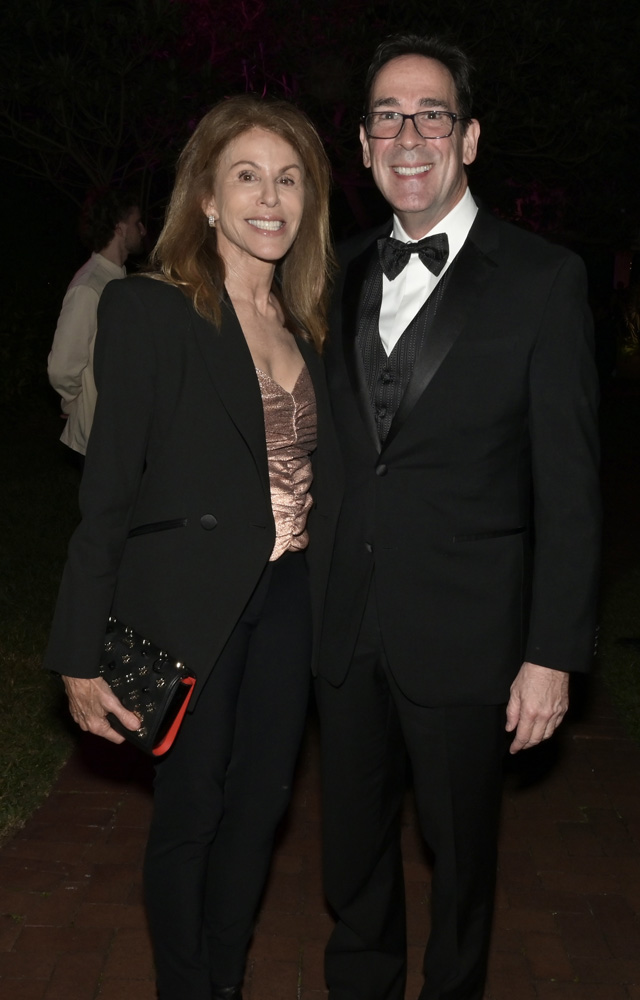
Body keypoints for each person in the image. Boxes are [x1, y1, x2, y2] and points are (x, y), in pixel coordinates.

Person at [314, 34, 601, 1000]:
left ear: (468, 137)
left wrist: (551, 652)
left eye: (431, 113)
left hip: (470, 635)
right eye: (387, 115)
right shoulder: (330, 271)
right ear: (361, 143)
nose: (408, 134)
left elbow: (571, 485)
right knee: (351, 853)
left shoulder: (543, 280)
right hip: (344, 623)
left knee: (461, 864)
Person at [44, 94, 340, 1000]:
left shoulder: (311, 324)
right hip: (193, 601)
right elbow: (108, 496)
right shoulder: (148, 310)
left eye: (289, 179)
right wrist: (77, 651)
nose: (270, 197)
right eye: (246, 175)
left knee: (259, 812)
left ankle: (223, 978)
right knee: (193, 813)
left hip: (290, 600)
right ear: (206, 197)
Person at [47, 189, 146, 460]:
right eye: (137, 222)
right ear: (119, 228)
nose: (143, 229)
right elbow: (62, 368)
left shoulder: (117, 281)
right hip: (96, 441)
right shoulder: (89, 287)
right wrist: (72, 400)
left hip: (119, 435)